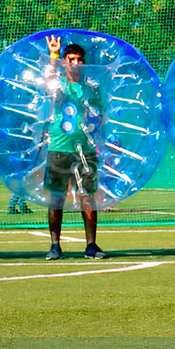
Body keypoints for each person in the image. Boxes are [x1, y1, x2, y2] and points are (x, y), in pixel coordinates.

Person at [43, 36, 107, 261]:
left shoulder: (91, 87)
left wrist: (99, 138)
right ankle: (54, 245)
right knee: (56, 199)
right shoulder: (57, 84)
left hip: (85, 149)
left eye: (80, 60)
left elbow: (99, 114)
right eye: (71, 59)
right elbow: (47, 81)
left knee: (87, 196)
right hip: (59, 146)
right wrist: (53, 56)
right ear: (64, 61)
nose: (76, 63)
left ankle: (91, 245)